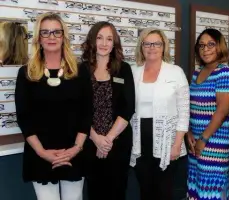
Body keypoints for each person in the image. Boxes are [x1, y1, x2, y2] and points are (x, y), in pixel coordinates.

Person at [15, 13, 92, 200]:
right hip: (40, 154)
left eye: (56, 32)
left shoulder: (79, 71)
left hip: (73, 152)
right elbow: (24, 118)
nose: (51, 37)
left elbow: (87, 113)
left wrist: (75, 149)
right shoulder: (26, 73)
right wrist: (42, 152)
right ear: (38, 38)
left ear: (63, 37)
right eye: (45, 32)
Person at [130, 28, 190, 200]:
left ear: (164, 46)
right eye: (147, 43)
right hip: (139, 143)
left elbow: (184, 111)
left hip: (167, 142)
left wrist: (177, 144)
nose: (152, 47)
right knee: (145, 190)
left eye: (157, 43)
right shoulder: (133, 72)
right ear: (141, 47)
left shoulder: (175, 72)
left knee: (164, 191)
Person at [81, 21, 135, 200]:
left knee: (117, 191)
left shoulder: (123, 69)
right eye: (99, 38)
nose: (104, 43)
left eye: (109, 39)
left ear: (114, 43)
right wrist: (96, 139)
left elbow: (128, 107)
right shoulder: (81, 70)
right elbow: (77, 109)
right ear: (92, 41)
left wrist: (108, 140)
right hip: (89, 142)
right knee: (95, 192)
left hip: (118, 143)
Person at [187, 29, 229, 200]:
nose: (205, 49)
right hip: (196, 144)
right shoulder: (196, 73)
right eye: (201, 45)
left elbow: (222, 111)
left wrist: (203, 139)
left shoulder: (225, 72)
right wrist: (190, 133)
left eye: (210, 44)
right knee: (197, 189)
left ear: (219, 46)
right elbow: (190, 106)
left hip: (214, 143)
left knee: (212, 193)